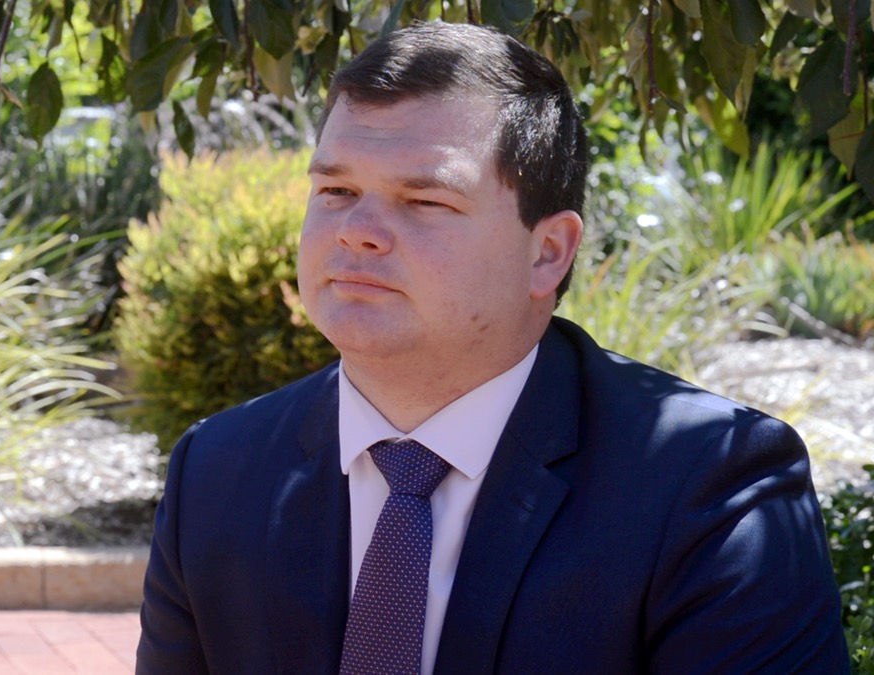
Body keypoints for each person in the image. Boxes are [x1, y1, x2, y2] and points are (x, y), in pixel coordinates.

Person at [135, 20, 848, 674]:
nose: (356, 230)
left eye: (426, 201)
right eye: (336, 190)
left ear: (548, 252)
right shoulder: (217, 471)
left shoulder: (707, 485)